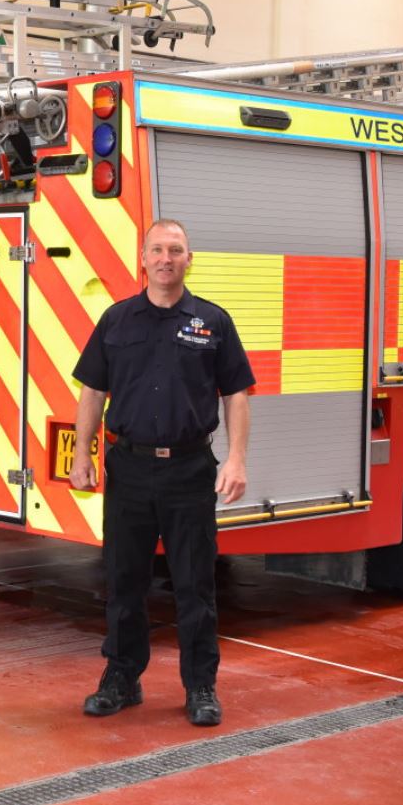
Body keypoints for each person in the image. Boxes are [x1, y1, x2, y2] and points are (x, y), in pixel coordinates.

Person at [68, 219, 253, 727]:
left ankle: (200, 687)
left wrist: (236, 458)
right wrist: (80, 453)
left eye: (176, 250)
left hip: (190, 470)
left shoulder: (213, 322)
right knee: (124, 580)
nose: (166, 258)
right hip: (129, 468)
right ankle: (121, 680)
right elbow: (92, 392)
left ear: (189, 259)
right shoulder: (116, 321)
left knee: (195, 584)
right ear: (143, 259)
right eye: (157, 250)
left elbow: (237, 394)